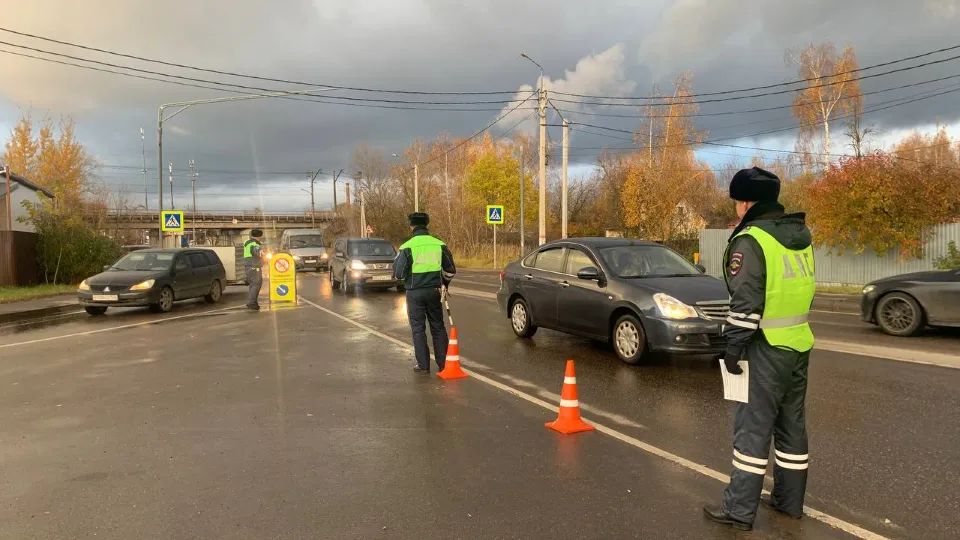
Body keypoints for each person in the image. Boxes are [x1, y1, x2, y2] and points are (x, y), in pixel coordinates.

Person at [703, 167, 816, 531]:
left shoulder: (752, 239)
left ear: (747, 201)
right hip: (798, 342)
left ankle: (738, 511)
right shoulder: (800, 234)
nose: (736, 207)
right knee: (791, 427)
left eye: (737, 200)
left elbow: (746, 304)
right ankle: (787, 501)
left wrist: (732, 350)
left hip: (765, 346)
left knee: (752, 430)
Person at [393, 212, 457, 373]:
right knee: (438, 326)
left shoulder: (407, 247)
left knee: (418, 328)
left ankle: (423, 365)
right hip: (435, 291)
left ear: (411, 226)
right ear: (427, 224)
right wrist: (444, 283)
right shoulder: (439, 244)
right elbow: (450, 270)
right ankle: (443, 364)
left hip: (415, 293)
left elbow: (399, 273)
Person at [243, 229, 265, 311]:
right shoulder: (254, 244)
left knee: (252, 285)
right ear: (259, 236)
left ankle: (253, 302)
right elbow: (259, 252)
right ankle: (252, 303)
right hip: (254, 267)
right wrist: (265, 254)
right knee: (256, 284)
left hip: (248, 267)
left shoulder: (247, 242)